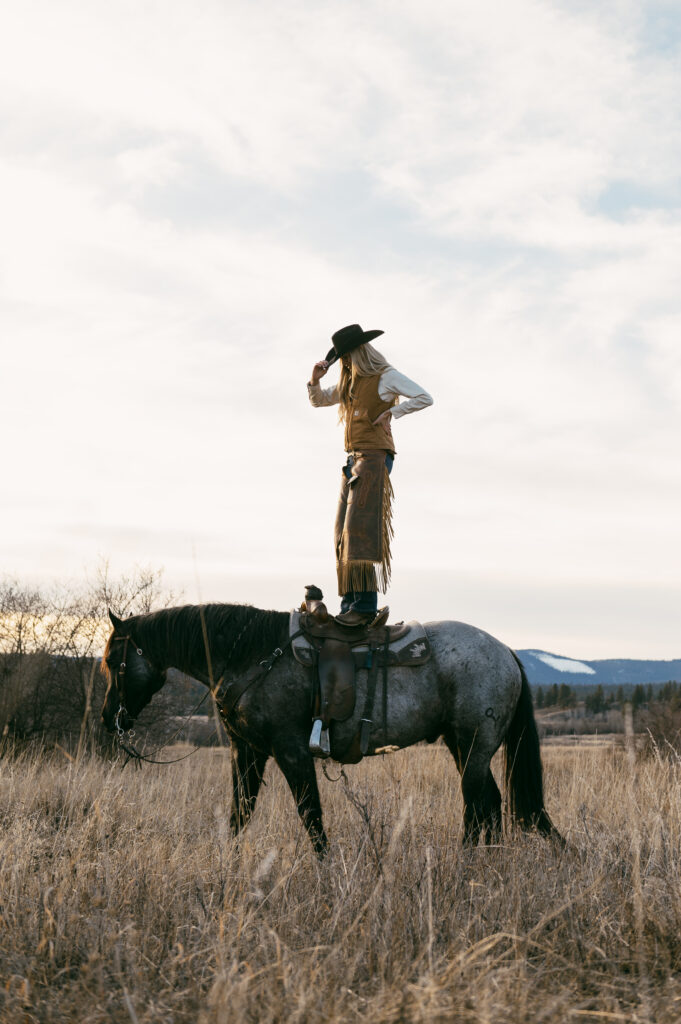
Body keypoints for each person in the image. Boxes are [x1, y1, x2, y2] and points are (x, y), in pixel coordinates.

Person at [307, 323, 433, 626]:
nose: (345, 363)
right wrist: (314, 378)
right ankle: (349, 603)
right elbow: (319, 400)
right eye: (342, 359)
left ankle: (364, 608)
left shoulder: (384, 376)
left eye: (347, 357)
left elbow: (424, 397)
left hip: (375, 458)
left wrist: (393, 413)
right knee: (343, 532)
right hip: (354, 461)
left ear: (359, 353)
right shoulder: (350, 384)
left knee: (360, 530)